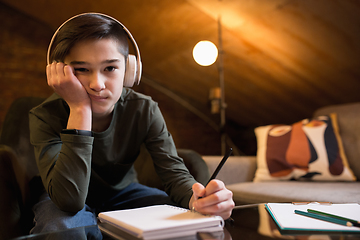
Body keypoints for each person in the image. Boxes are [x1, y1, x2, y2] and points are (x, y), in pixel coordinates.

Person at [29, 13, 234, 234]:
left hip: (124, 193)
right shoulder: (44, 116)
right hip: (60, 196)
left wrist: (200, 201)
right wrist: (80, 109)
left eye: (110, 68)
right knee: (61, 228)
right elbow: (69, 201)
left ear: (129, 70)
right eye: (81, 70)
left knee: (178, 216)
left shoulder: (143, 109)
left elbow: (174, 174)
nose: (97, 84)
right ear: (59, 72)